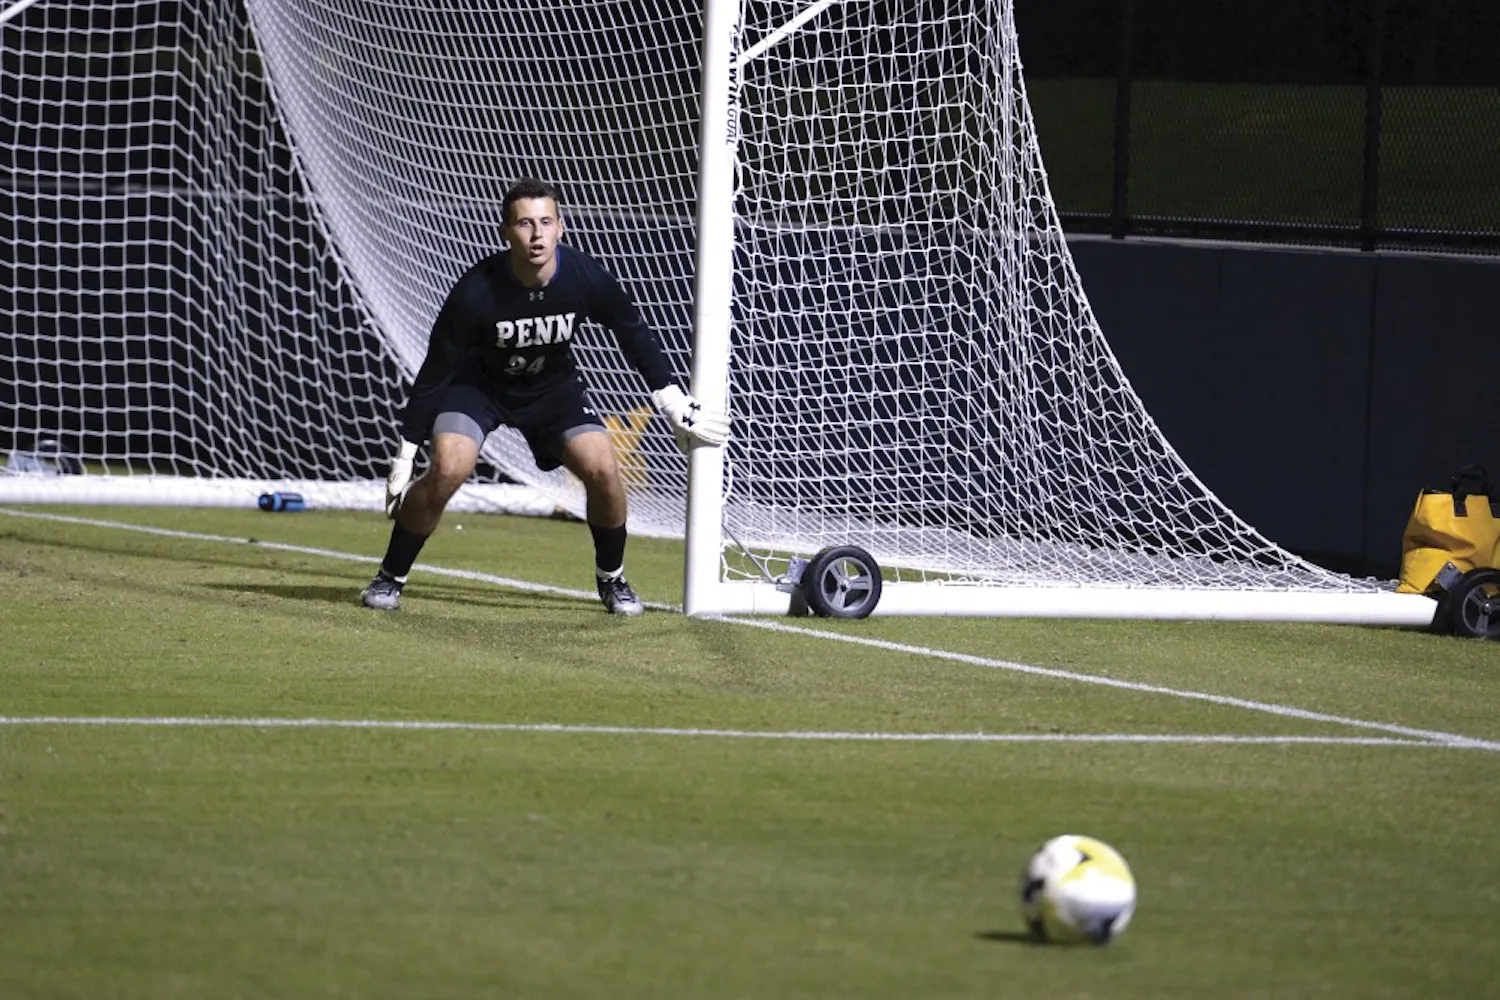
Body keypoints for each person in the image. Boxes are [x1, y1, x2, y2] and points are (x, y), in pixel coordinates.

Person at [361, 178, 729, 615]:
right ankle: (390, 577)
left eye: (545, 222)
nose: (536, 234)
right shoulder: (476, 291)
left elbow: (631, 331)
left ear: (561, 228)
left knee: (604, 470)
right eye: (524, 224)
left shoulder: (583, 276)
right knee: (447, 469)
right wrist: (406, 450)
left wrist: (669, 397)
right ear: (505, 232)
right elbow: (436, 371)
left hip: (552, 392)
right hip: (478, 391)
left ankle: (612, 580)